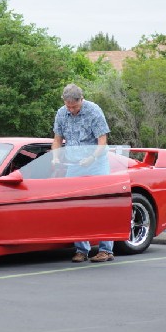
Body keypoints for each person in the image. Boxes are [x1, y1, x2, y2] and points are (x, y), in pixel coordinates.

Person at [52, 83, 114, 263]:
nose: (71, 109)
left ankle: (106, 250)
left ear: (81, 99)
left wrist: (92, 158)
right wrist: (56, 156)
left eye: (74, 106)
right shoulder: (61, 113)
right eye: (68, 106)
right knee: (75, 204)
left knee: (102, 204)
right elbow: (57, 139)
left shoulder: (94, 110)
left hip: (96, 163)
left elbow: (102, 140)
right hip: (74, 164)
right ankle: (81, 249)